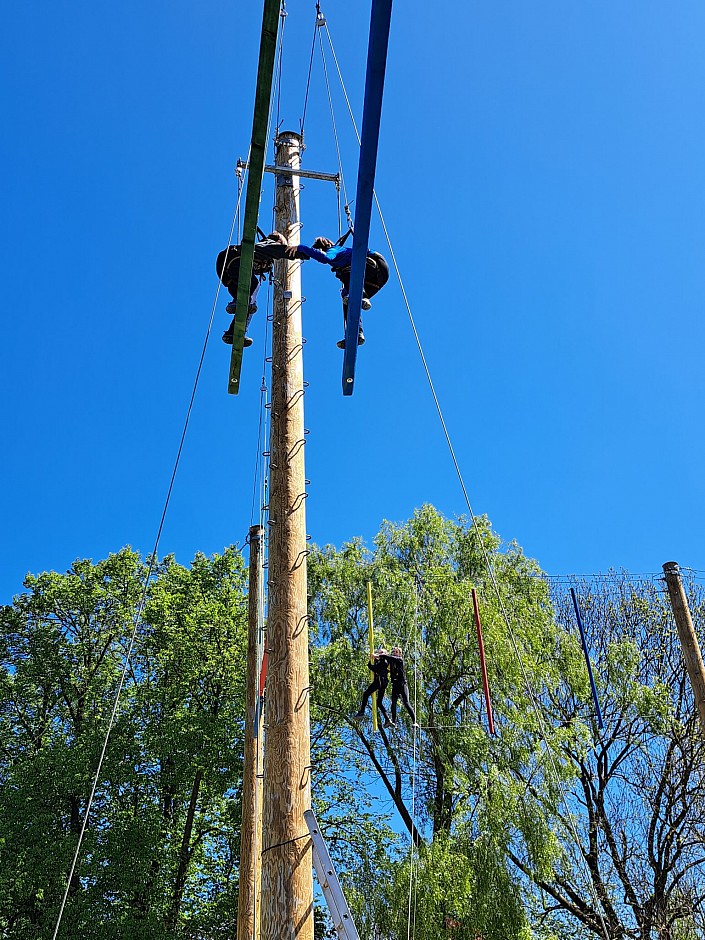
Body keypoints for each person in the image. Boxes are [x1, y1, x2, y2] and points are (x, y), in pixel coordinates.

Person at [216, 232, 304, 347]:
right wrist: (309, 253)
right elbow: (285, 251)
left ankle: (232, 332)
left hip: (226, 270)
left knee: (249, 302)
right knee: (253, 286)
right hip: (234, 260)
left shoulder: (259, 249)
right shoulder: (269, 245)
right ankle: (237, 305)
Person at [307, 236, 389, 349]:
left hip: (375, 266)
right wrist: (345, 293)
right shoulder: (341, 260)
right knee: (347, 300)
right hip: (376, 280)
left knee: (346, 272)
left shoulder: (334, 250)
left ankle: (363, 296)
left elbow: (326, 258)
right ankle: (356, 333)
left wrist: (302, 249)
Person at [354, 648, 390, 724]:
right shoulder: (380, 661)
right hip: (382, 682)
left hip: (380, 681)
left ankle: (361, 712)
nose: (380, 654)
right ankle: (387, 719)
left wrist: (374, 658)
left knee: (366, 694)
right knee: (379, 702)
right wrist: (371, 660)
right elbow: (373, 668)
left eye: (381, 652)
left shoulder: (385, 660)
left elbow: (375, 667)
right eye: (379, 652)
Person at [386, 646, 418, 729]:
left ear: (400, 654)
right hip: (395, 685)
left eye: (396, 652)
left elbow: (388, 657)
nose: (394, 653)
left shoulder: (400, 660)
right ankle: (393, 721)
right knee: (393, 704)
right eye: (393, 652)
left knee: (406, 702)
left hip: (402, 684)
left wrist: (380, 655)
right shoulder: (391, 663)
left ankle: (414, 721)